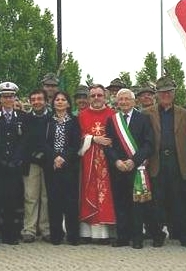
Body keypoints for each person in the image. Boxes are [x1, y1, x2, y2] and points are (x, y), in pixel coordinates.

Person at [104, 88, 161, 249]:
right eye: (120, 99)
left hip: (138, 169)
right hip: (119, 169)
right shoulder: (112, 120)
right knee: (121, 203)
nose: (123, 102)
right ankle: (123, 236)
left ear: (134, 101)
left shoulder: (143, 118)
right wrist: (116, 161)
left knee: (140, 205)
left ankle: (138, 237)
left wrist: (133, 161)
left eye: (126, 99)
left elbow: (149, 144)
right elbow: (108, 145)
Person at [143, 76, 186, 248]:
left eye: (169, 92)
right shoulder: (147, 113)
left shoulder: (185, 114)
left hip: (178, 161)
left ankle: (185, 235)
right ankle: (157, 234)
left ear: (174, 93)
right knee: (157, 200)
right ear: (157, 94)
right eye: (162, 92)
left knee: (180, 200)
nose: (166, 95)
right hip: (156, 162)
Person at [0, 81, 27, 246]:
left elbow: (24, 141)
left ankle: (10, 234)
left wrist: (16, 159)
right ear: (0, 99)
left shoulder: (22, 117)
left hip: (14, 166)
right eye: (4, 97)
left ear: (15, 98)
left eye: (10, 96)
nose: (8, 99)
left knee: (12, 200)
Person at [78, 84, 116, 243]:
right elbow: (77, 138)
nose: (96, 98)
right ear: (89, 98)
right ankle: (88, 233)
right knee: (90, 193)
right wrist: (93, 139)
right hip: (88, 161)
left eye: (99, 95)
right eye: (92, 96)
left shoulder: (113, 114)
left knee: (107, 196)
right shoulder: (82, 115)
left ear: (104, 96)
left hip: (108, 161)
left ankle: (107, 233)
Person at [44, 91, 81, 245]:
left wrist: (63, 158)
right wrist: (54, 157)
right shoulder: (47, 121)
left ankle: (72, 235)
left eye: (63, 100)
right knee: (54, 201)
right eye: (57, 100)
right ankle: (56, 235)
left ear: (68, 103)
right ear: (53, 103)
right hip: (52, 165)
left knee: (70, 201)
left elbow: (76, 143)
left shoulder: (74, 121)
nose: (59, 102)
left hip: (69, 165)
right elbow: (43, 143)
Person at [21, 89, 51, 243]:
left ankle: (45, 229)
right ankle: (29, 229)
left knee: (46, 197)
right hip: (31, 162)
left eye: (40, 99)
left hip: (48, 161)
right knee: (30, 196)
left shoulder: (52, 118)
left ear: (46, 101)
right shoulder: (25, 118)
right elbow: (23, 141)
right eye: (33, 99)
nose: (36, 102)